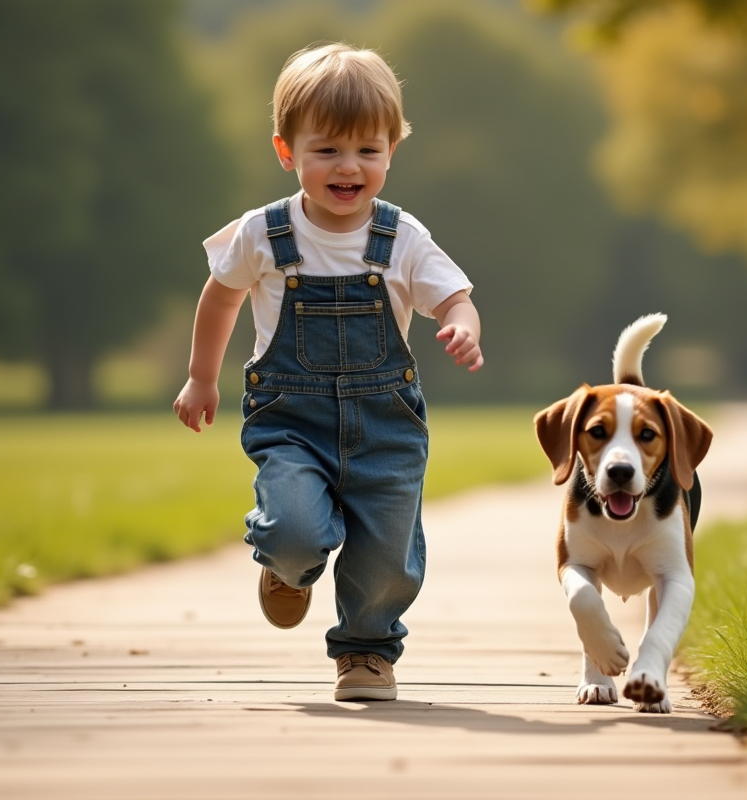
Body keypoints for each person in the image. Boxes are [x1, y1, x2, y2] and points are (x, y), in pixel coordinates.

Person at [173, 43, 483, 701]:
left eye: (368, 151)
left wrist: (462, 324)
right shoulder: (264, 234)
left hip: (385, 433)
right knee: (293, 528)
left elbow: (453, 295)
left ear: (392, 151)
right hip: (293, 424)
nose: (349, 167)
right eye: (328, 151)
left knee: (387, 556)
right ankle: (288, 567)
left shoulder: (403, 239)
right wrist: (202, 376)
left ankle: (367, 652)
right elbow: (221, 296)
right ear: (287, 151)